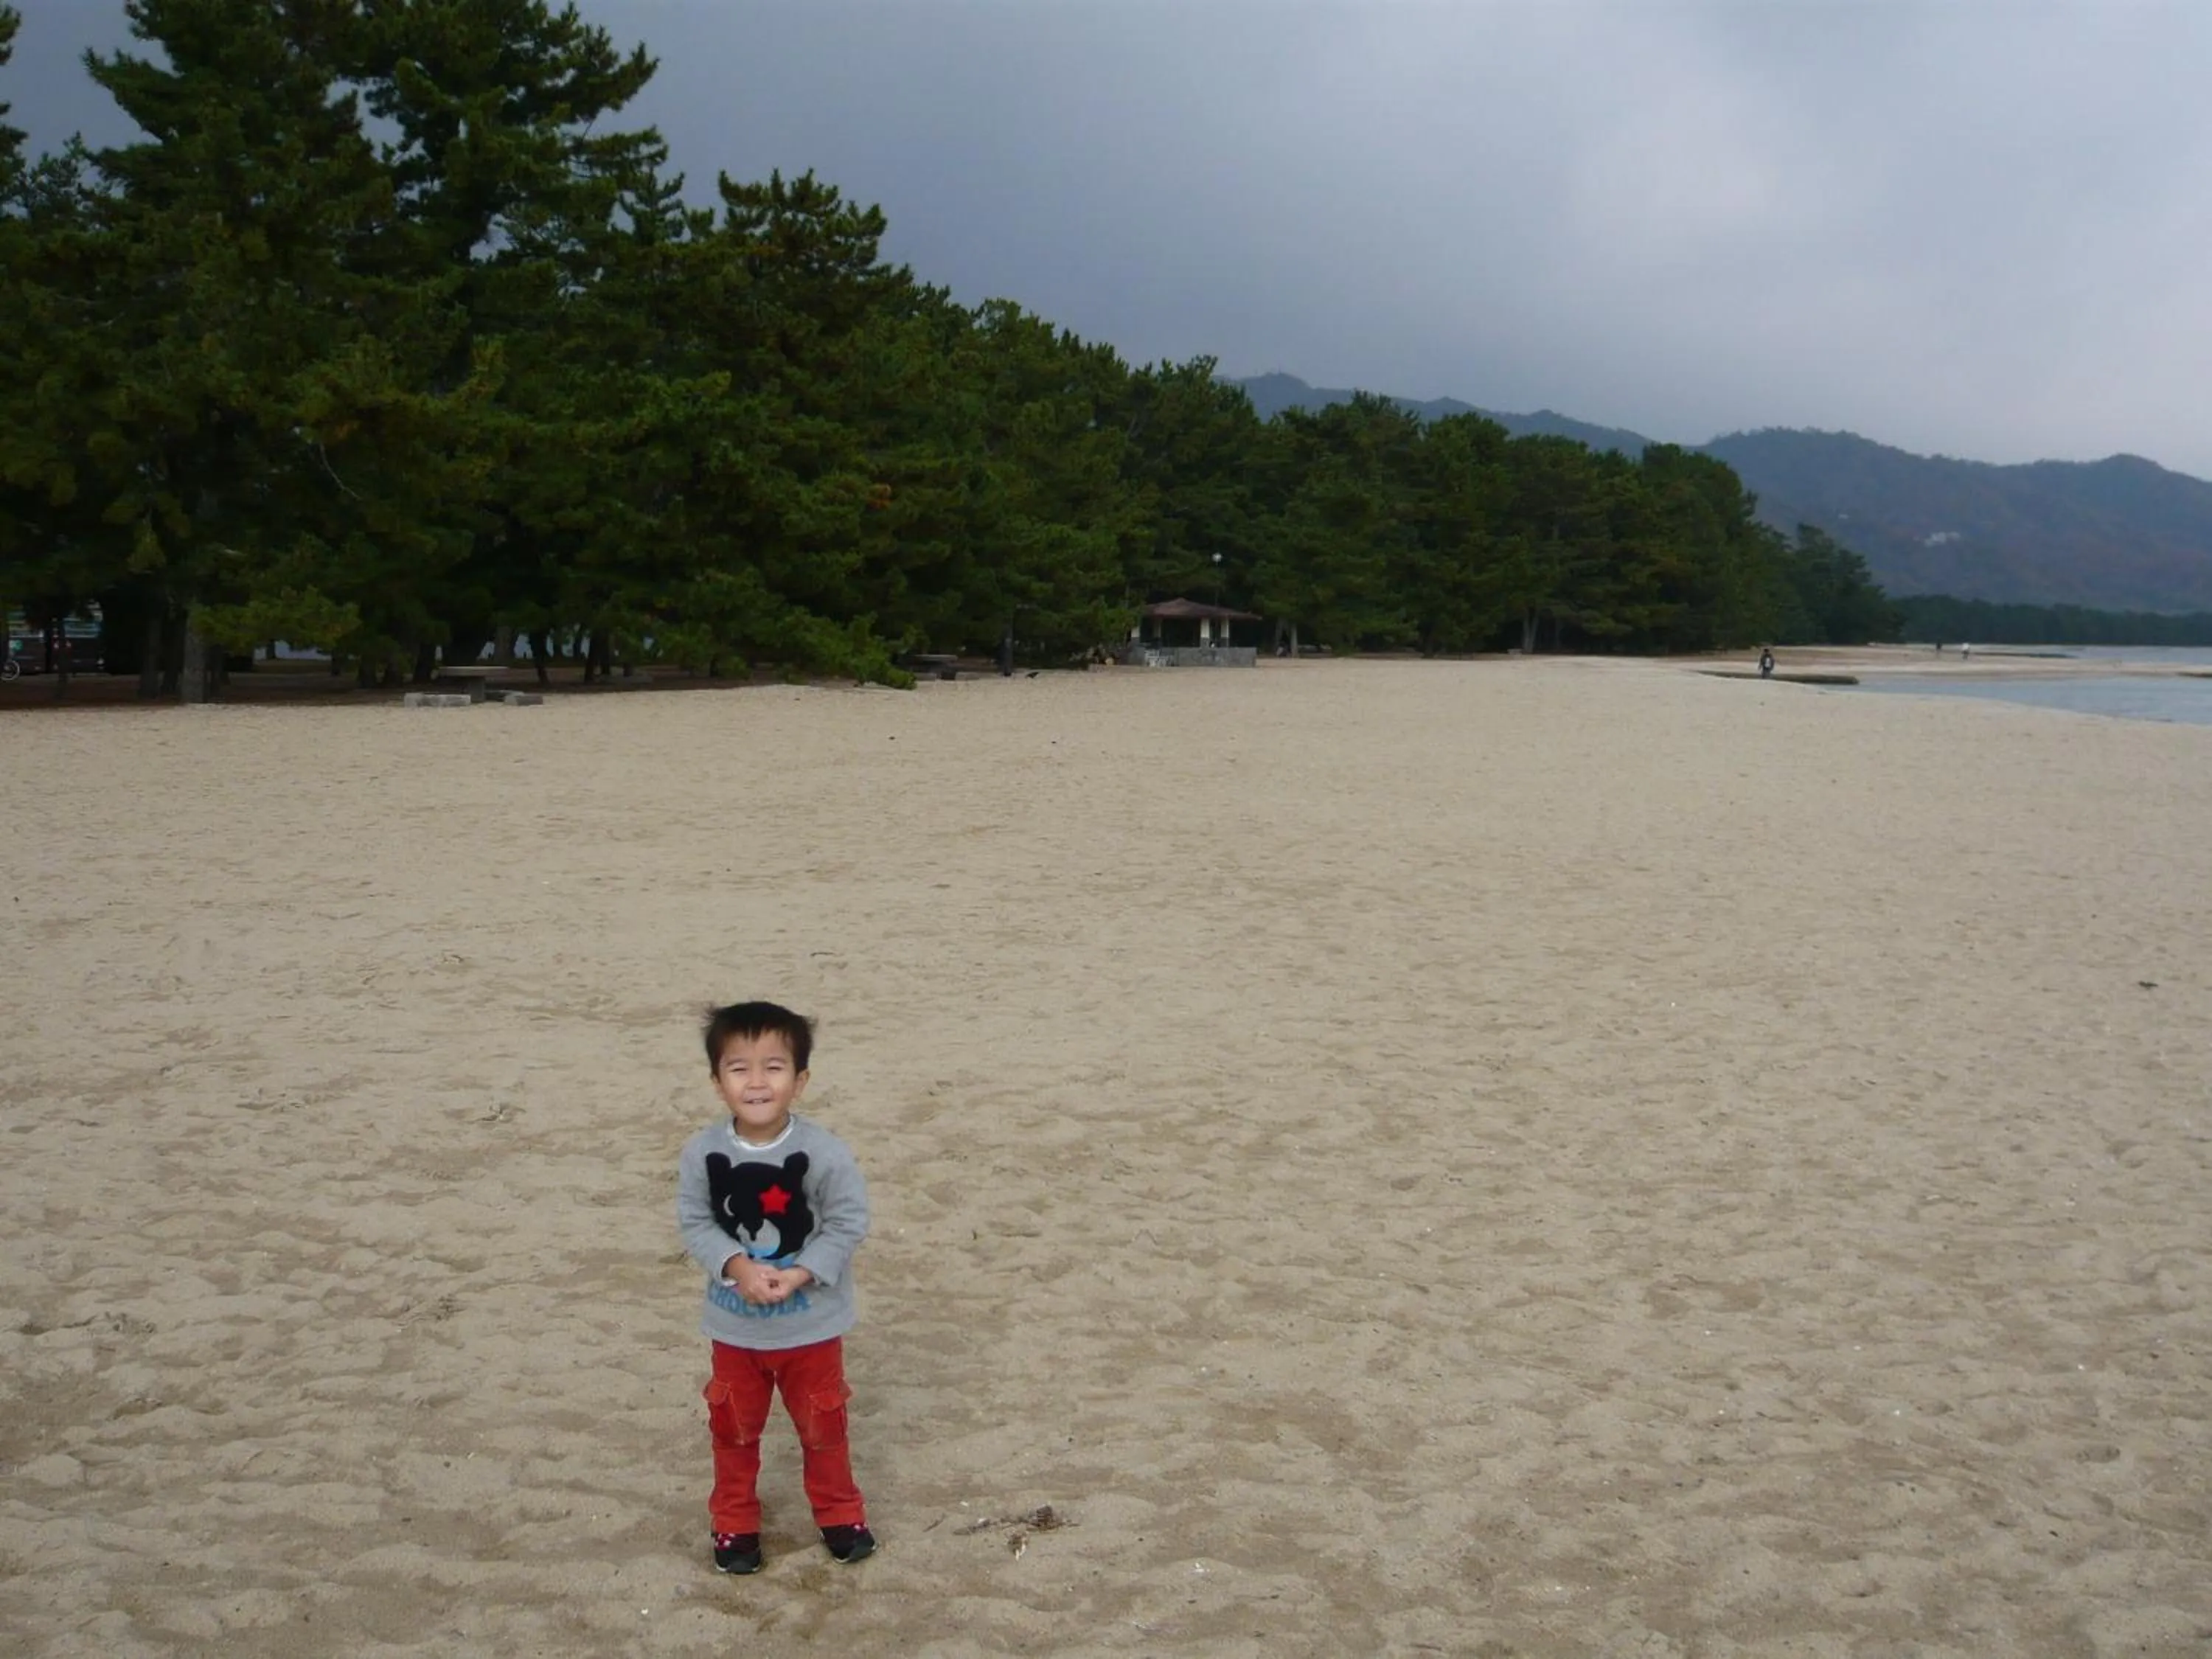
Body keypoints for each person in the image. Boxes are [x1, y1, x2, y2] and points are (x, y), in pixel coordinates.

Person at [677, 1001, 874, 1574]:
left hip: (812, 1329)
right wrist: (737, 1266)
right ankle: (735, 1523)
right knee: (734, 1431)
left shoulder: (822, 1153)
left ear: (801, 1079)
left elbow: (847, 1220)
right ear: (718, 1082)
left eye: (774, 1067)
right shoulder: (703, 1154)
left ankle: (840, 1513)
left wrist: (801, 1271)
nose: (757, 1081)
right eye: (739, 1068)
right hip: (734, 1330)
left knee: (823, 1429)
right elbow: (696, 1221)